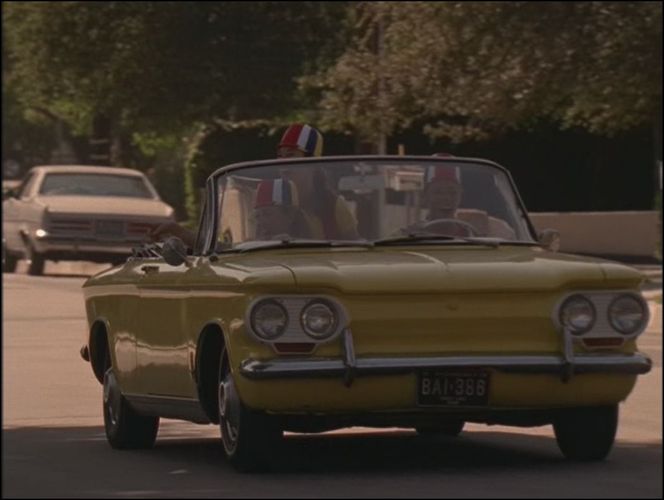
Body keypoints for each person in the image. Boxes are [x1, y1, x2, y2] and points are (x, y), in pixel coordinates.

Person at [149, 123, 358, 247]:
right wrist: (181, 232)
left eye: (292, 156)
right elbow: (233, 250)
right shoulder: (267, 197)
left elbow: (356, 251)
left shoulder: (333, 206)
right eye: (281, 156)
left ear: (314, 162)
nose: (284, 163)